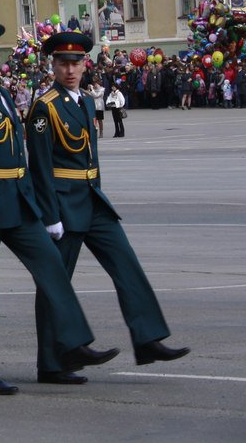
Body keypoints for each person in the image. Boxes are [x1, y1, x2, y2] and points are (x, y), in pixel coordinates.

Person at [0, 24, 118, 396]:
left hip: (18, 202)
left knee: (52, 268)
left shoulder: (2, 94)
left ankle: (72, 343)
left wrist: (37, 204)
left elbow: (17, 152)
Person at [28, 32, 190, 383]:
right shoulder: (45, 107)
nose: (71, 70)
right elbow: (38, 166)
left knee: (127, 265)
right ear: (52, 66)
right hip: (62, 202)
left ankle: (147, 338)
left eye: (76, 63)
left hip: (91, 199)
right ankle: (52, 362)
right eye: (63, 64)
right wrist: (49, 215)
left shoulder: (86, 102)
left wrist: (97, 190)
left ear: (86, 64)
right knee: (56, 283)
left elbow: (92, 155)